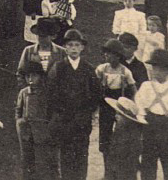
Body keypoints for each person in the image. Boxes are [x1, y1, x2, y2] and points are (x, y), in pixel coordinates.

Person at [46, 29, 101, 180]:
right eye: (70, 45)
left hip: (82, 122)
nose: (74, 48)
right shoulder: (58, 68)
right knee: (66, 157)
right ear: (65, 47)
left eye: (77, 45)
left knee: (82, 157)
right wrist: (59, 115)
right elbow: (51, 94)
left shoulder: (88, 69)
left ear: (82, 47)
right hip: (65, 121)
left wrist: (87, 112)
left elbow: (97, 94)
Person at [136, 49, 168, 180]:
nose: (157, 72)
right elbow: (139, 105)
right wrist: (142, 119)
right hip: (149, 127)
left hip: (166, 129)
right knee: (148, 164)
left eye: (161, 69)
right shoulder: (146, 86)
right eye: (155, 68)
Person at [96, 39, 137, 177]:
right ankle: (107, 173)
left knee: (118, 139)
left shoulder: (125, 71)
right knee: (105, 139)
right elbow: (94, 85)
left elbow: (133, 89)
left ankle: (118, 173)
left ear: (118, 56)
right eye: (106, 53)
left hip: (119, 106)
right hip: (105, 106)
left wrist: (132, 106)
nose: (106, 56)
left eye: (110, 54)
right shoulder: (101, 69)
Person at [16, 61, 57, 180]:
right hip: (26, 133)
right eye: (27, 76)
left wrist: (48, 128)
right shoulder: (23, 93)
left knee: (44, 162)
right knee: (27, 162)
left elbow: (51, 112)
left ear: (40, 76)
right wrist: (20, 123)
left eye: (34, 76)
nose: (30, 79)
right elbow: (18, 110)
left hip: (42, 133)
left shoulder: (46, 93)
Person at [104, 97, 146, 180]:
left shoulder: (132, 135)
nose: (116, 116)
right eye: (116, 113)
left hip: (125, 172)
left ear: (127, 118)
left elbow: (129, 162)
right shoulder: (119, 130)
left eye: (119, 114)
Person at [16, 17, 66, 88]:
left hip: (55, 92)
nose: (40, 39)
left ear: (53, 36)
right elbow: (21, 73)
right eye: (39, 36)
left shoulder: (62, 52)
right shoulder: (29, 51)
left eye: (44, 36)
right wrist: (27, 89)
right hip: (34, 91)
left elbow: (66, 75)